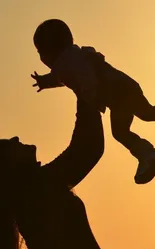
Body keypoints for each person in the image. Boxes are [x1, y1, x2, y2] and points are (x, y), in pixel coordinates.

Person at [0, 100, 129, 249]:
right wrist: (85, 91)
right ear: (8, 167)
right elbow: (87, 149)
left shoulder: (36, 188)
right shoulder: (38, 186)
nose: (16, 139)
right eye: (8, 145)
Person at [32, 18, 155, 185]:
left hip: (118, 92)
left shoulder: (66, 62)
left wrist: (90, 97)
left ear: (49, 51)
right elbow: (63, 77)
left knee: (127, 128)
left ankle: (147, 154)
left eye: (40, 52)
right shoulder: (73, 57)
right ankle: (147, 155)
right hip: (123, 90)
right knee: (144, 116)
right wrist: (45, 82)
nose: (41, 58)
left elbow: (83, 76)